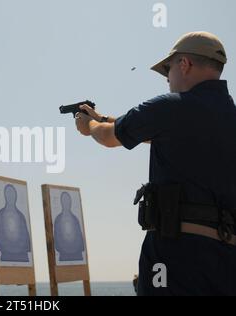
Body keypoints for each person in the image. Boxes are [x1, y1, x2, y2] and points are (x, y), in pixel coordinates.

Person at [75, 31, 236, 295]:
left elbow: (108, 138)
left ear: (184, 64)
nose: (168, 80)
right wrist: (102, 116)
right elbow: (155, 132)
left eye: (168, 70)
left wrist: (89, 125)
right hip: (227, 260)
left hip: (175, 253)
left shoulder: (170, 107)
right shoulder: (228, 118)